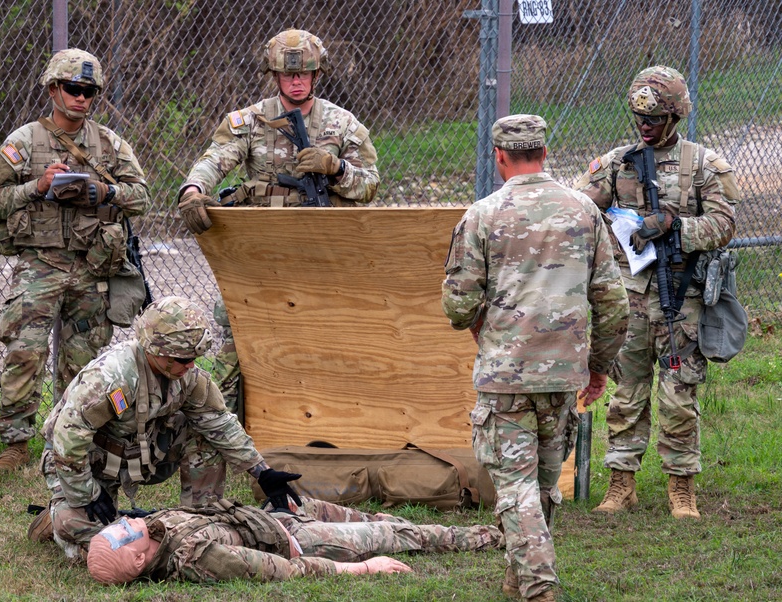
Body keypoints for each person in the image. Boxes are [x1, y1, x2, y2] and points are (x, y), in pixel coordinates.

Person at [442, 115, 629, 602]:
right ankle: (516, 577)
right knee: (544, 487)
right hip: (564, 375)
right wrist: (598, 366)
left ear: (499, 157)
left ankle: (539, 590)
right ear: (544, 153)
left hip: (505, 379)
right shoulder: (584, 210)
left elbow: (458, 307)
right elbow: (614, 301)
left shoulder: (482, 214)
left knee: (517, 490)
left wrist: (484, 320)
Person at [176, 29, 381, 410]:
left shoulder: (343, 124)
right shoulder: (251, 121)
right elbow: (215, 159)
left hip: (323, 253)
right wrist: (192, 191)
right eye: (288, 75)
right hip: (262, 253)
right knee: (239, 344)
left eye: (304, 73)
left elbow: (370, 185)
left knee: (331, 345)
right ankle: (223, 430)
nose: (297, 81)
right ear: (274, 76)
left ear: (317, 74)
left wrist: (335, 168)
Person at [575, 66, 739, 520]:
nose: (644, 128)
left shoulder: (702, 165)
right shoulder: (616, 163)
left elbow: (724, 225)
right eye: (638, 119)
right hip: (628, 296)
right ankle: (621, 483)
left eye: (653, 120)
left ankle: (681, 487)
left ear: (674, 116)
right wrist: (613, 230)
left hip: (679, 299)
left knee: (679, 393)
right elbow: (580, 209)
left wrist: (673, 226)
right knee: (626, 393)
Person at [31, 296, 303, 560]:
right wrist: (85, 493)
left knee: (206, 434)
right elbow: (68, 438)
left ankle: (199, 522)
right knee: (91, 534)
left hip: (138, 455)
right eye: (184, 359)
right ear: (157, 350)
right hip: (85, 466)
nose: (191, 366)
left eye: (193, 358)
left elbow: (219, 422)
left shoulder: (186, 376)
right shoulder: (112, 377)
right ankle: (56, 515)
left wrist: (261, 472)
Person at [0, 48, 151, 473]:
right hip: (40, 264)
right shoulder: (23, 141)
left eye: (89, 92)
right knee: (25, 352)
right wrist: (37, 186)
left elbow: (142, 197)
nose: (81, 98)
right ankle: (15, 444)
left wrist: (104, 193)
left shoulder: (109, 143)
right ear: (54, 88)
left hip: (93, 265)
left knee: (85, 360)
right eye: (74, 89)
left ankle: (72, 438)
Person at [85, 496, 503, 584]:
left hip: (272, 519)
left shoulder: (154, 532)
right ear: (140, 562)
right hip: (299, 541)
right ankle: (489, 536)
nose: (125, 523)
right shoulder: (201, 558)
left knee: (361, 516)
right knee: (391, 534)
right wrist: (363, 567)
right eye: (123, 534)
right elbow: (288, 569)